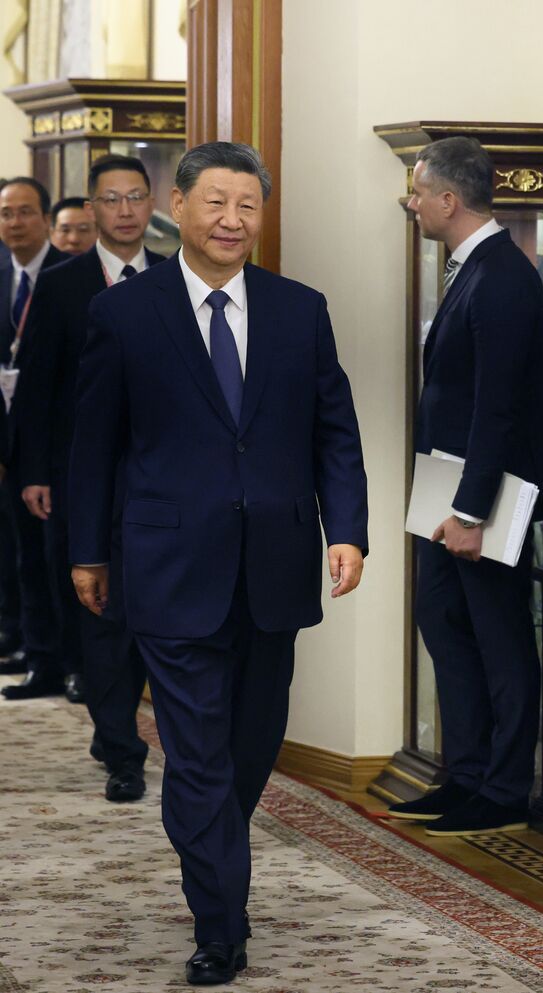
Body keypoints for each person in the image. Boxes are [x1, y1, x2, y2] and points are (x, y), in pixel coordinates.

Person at [68, 141, 369, 986]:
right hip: (167, 564)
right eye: (217, 203)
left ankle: (214, 856)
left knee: (251, 742)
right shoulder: (127, 314)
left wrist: (346, 527)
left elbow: (332, 429)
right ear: (181, 206)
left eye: (248, 206)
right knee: (196, 752)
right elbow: (94, 445)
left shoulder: (299, 309)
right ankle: (220, 922)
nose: (233, 220)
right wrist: (87, 549)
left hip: (273, 564)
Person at [383, 136, 543, 837]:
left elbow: (499, 408)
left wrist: (469, 510)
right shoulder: (472, 267)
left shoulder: (504, 277)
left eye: (418, 190)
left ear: (449, 200)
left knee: (500, 638)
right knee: (445, 624)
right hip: (446, 489)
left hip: (484, 500)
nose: (411, 201)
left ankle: (505, 786)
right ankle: (464, 773)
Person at [18, 155, 164, 802]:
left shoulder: (173, 278)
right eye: (113, 199)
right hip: (85, 477)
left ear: (153, 203)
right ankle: (121, 750)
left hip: (163, 480)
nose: (126, 210)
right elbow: (38, 389)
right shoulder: (63, 283)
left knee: (156, 613)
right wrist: (34, 472)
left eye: (137, 197)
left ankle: (135, 734)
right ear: (94, 208)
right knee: (99, 612)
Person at [0, 177, 71, 700]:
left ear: (45, 219)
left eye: (25, 213)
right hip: (8, 439)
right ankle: (39, 656)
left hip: (54, 440)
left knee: (57, 556)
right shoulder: (2, 273)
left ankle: (71, 661)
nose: (14, 223)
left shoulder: (70, 276)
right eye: (6, 214)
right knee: (21, 554)